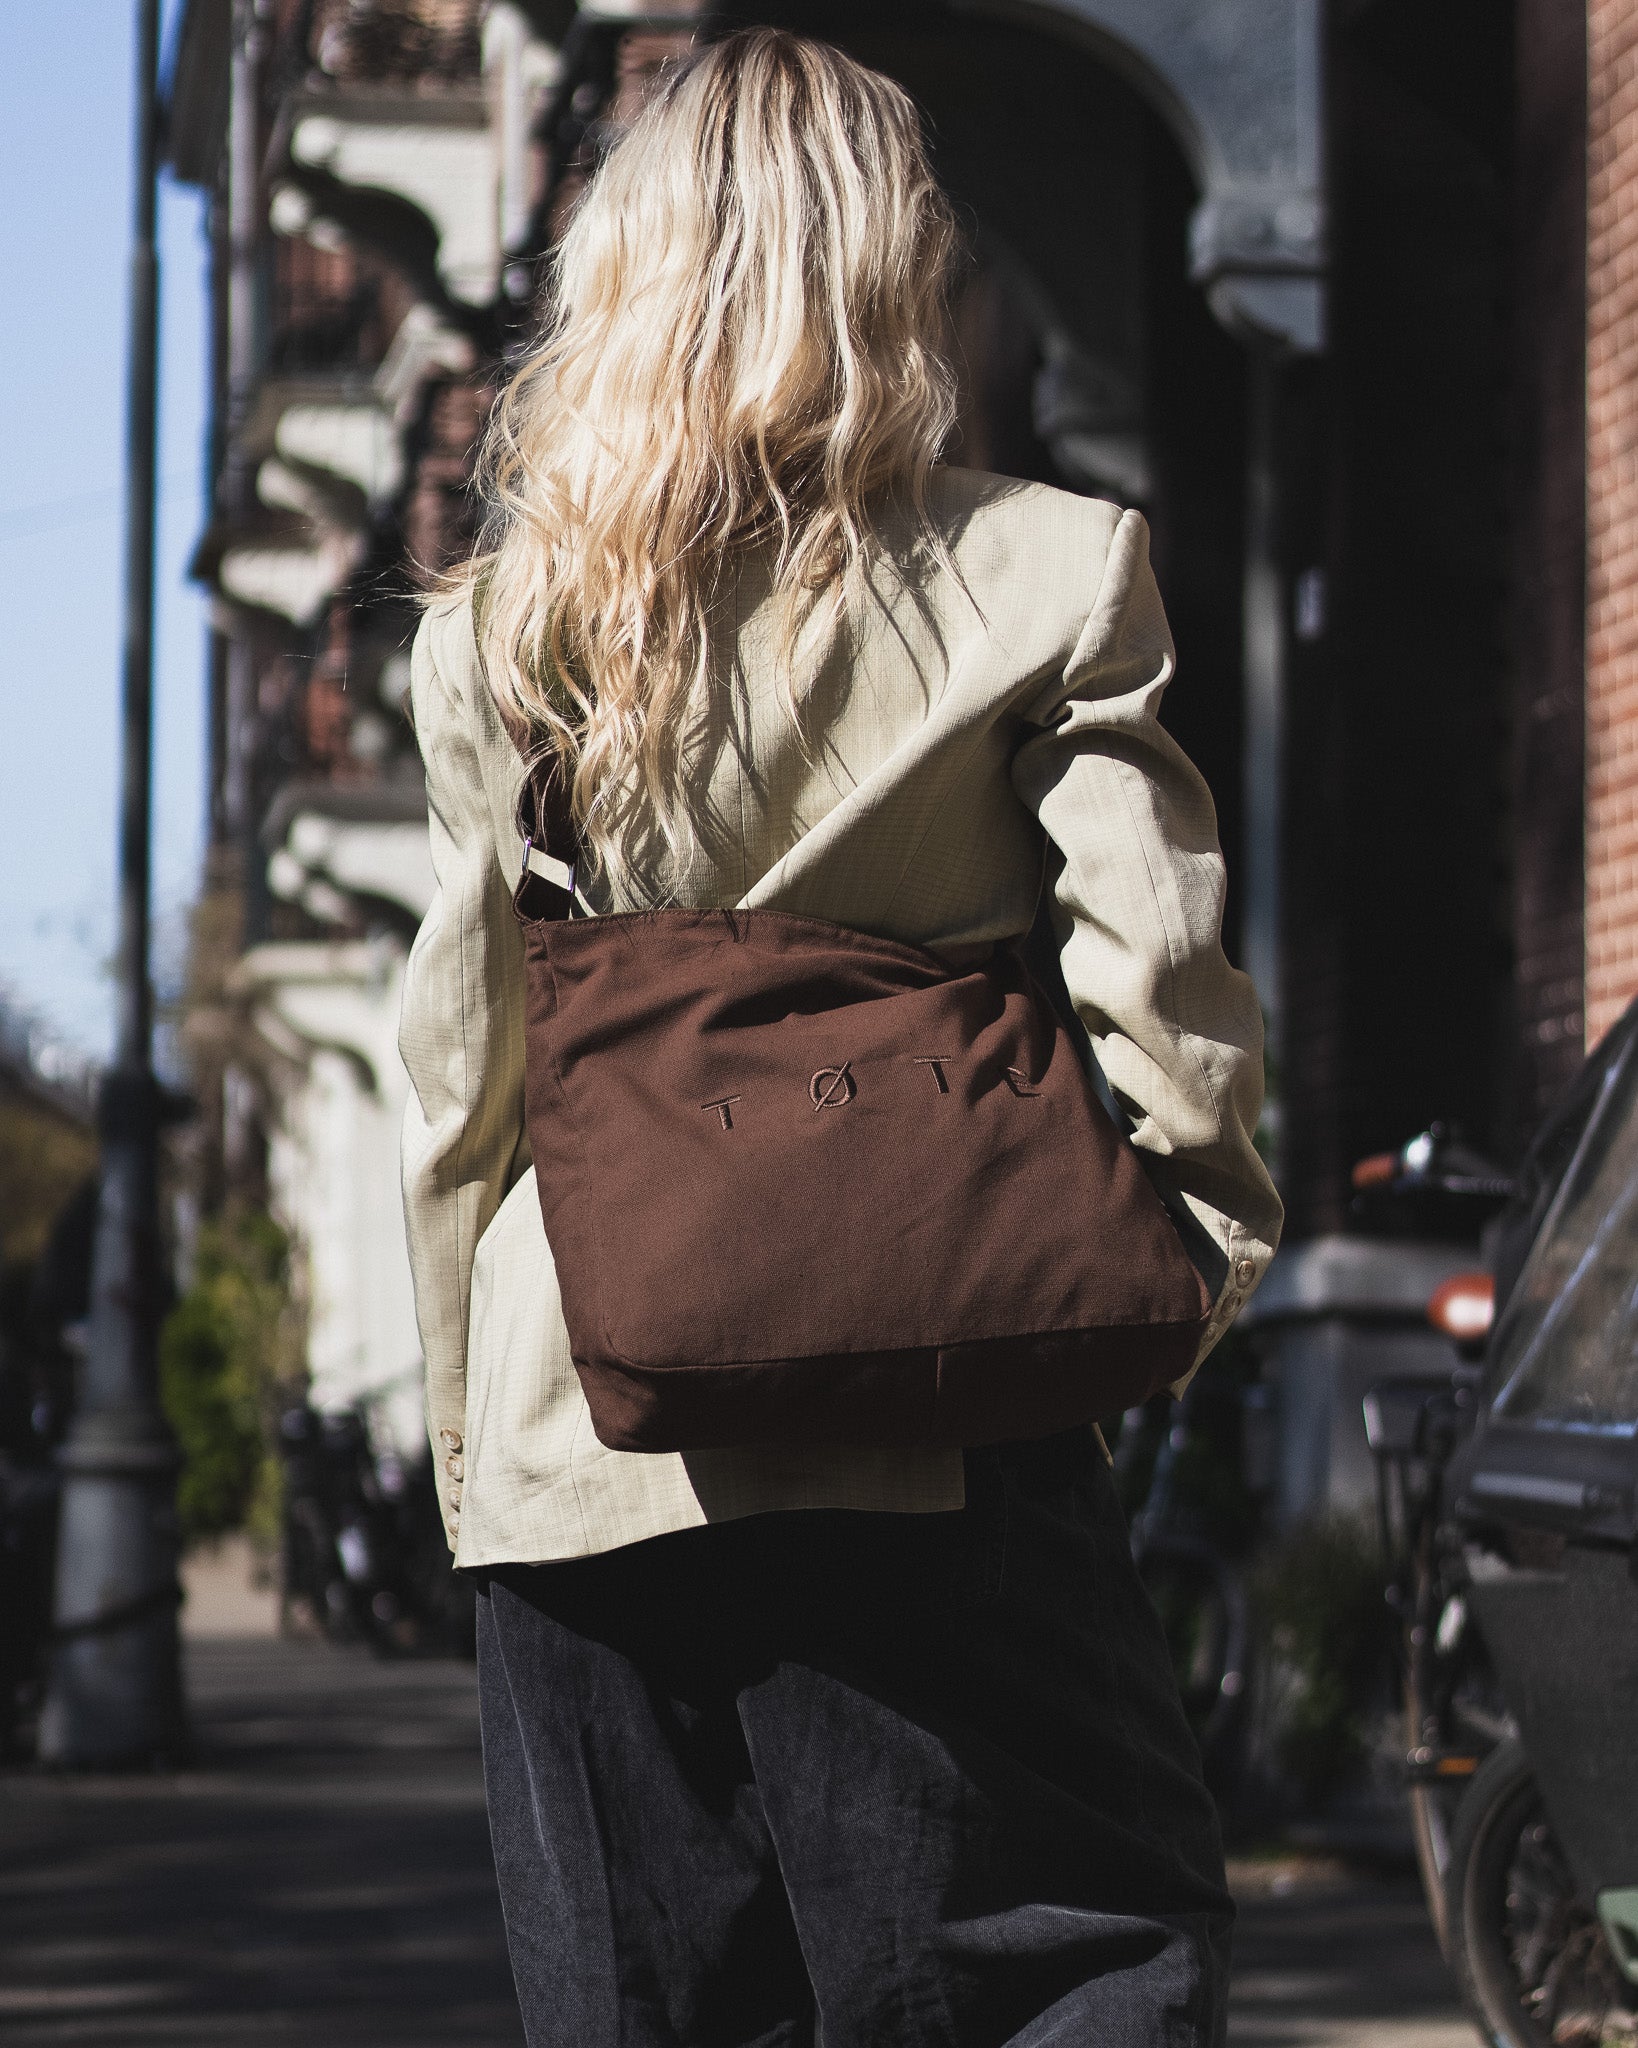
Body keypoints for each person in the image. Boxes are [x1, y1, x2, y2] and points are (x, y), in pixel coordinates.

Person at [399, 28, 1282, 2047]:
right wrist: (1186, 1283)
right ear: (893, 270)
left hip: (581, 1440)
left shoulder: (502, 643)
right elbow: (1162, 997)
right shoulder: (1046, 575)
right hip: (944, 1422)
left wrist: (479, 1454)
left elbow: (457, 1082)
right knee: (1077, 1963)